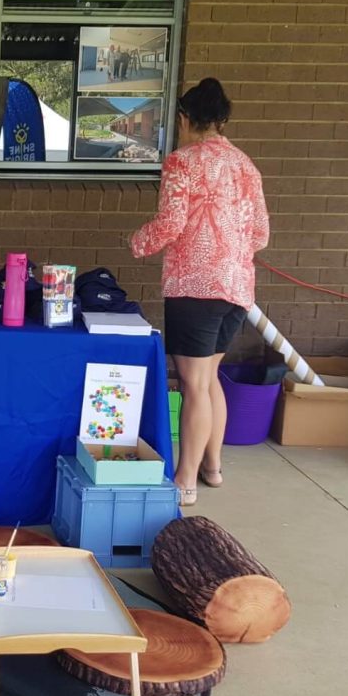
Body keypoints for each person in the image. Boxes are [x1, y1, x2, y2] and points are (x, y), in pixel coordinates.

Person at [128, 78, 269, 507]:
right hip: (236, 289)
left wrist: (136, 241)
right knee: (209, 380)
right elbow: (260, 234)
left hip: (195, 286)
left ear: (185, 119)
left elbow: (170, 224)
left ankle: (185, 480)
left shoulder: (182, 162)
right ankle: (213, 467)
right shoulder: (247, 165)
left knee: (192, 384)